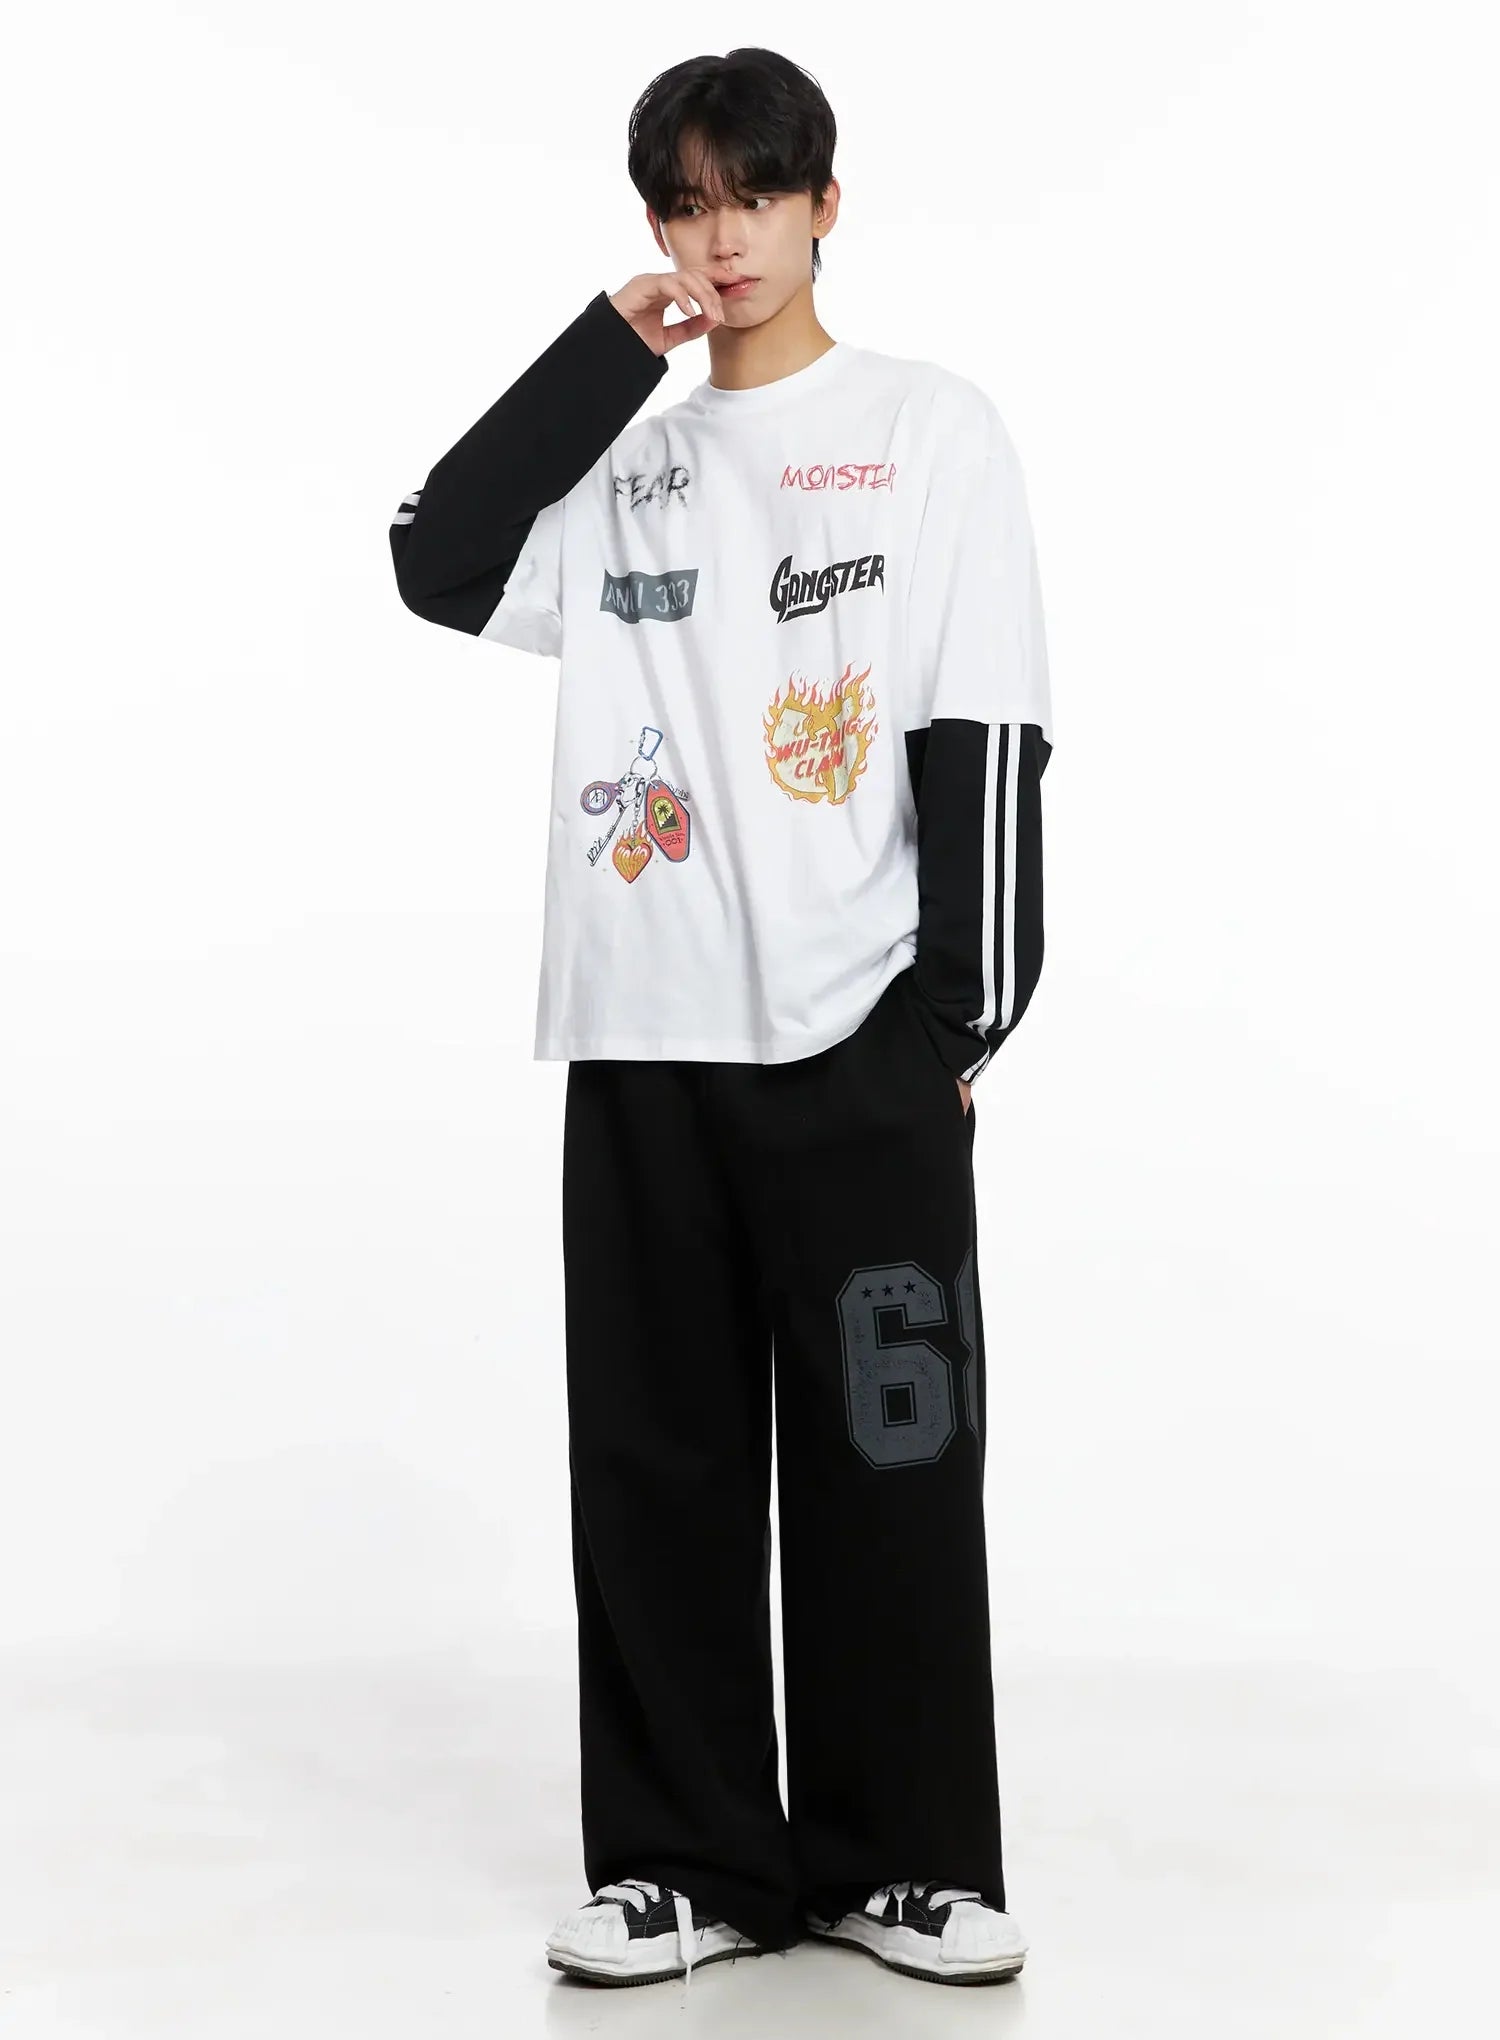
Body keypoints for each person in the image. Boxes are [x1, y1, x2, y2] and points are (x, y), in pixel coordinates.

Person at [389, 44, 1052, 1993]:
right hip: (642, 1038)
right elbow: (435, 555)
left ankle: (901, 1860)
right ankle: (685, 1865)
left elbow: (987, 727)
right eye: (685, 205)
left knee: (891, 1456)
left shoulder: (929, 431)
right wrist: (609, 351)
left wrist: (954, 1032)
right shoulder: (627, 461)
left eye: (753, 195)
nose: (723, 237)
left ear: (825, 203)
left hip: (860, 1040)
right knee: (657, 1469)